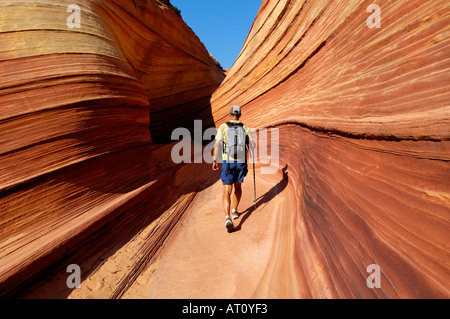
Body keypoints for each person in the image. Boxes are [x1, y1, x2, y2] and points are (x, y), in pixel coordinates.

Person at [212, 105, 255, 232]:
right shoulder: (245, 127)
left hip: (228, 161)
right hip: (241, 161)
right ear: (240, 115)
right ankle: (235, 211)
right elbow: (252, 146)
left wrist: (215, 159)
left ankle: (227, 217)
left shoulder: (223, 127)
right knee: (238, 186)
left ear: (230, 114)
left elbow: (217, 144)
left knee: (227, 189)